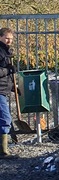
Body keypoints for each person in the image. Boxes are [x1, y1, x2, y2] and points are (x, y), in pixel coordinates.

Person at [0, 27, 17, 159]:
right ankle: (4, 151)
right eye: (6, 38)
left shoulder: (6, 51)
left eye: (11, 39)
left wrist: (13, 86)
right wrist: (8, 70)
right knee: (5, 119)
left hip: (3, 89)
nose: (9, 41)